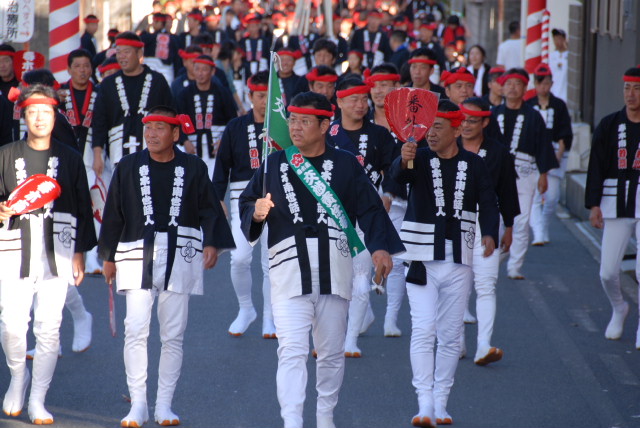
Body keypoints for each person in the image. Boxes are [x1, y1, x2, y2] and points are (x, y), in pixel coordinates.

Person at [239, 91, 402, 428]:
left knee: (330, 353)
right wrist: (256, 213)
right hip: (288, 269)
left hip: (335, 269)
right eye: (292, 120)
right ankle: (292, 421)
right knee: (292, 350)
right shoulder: (274, 163)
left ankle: (325, 415)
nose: (295, 128)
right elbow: (248, 202)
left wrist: (380, 248)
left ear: (325, 125)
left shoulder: (346, 163)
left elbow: (371, 209)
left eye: (304, 121)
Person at [98, 106, 234, 427]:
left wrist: (212, 243)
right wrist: (107, 256)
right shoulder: (128, 166)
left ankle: (164, 405)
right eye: (149, 128)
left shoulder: (194, 167)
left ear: (175, 133)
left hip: (181, 251)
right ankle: (138, 404)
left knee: (173, 334)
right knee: (135, 328)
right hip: (135, 250)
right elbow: (114, 212)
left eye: (160, 128)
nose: (152, 134)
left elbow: (209, 209)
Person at [389, 100, 499, 427]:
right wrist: (403, 159)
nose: (431, 133)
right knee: (424, 329)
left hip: (460, 259)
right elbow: (397, 179)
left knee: (450, 336)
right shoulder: (419, 157)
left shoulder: (475, 164)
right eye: (428, 127)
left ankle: (441, 402)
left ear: (457, 128)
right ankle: (424, 401)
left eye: (438, 127)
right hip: (421, 259)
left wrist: (489, 233)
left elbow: (488, 202)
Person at [0, 83, 96, 424]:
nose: (39, 118)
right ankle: (17, 376)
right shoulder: (5, 154)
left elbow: (82, 205)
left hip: (59, 247)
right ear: (23, 116)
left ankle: (39, 398)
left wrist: (80, 253)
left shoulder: (70, 158)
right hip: (14, 248)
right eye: (33, 112)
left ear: (55, 116)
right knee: (12, 324)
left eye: (46, 112)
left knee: (49, 327)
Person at [328, 78, 396, 356]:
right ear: (340, 102)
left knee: (360, 276)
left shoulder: (380, 135)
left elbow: (393, 168)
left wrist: (388, 192)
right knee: (332, 278)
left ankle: (350, 339)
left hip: (365, 212)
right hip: (331, 212)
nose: (360, 104)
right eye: (353, 99)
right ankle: (334, 332)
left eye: (363, 99)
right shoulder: (328, 133)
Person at [212, 71, 275, 337]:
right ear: (250, 96)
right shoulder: (235, 127)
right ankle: (246, 309)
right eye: (260, 96)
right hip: (243, 200)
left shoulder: (283, 127)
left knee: (271, 264)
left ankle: (270, 318)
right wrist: (218, 199)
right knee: (238, 259)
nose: (264, 101)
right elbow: (221, 166)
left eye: (269, 96)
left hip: (275, 200)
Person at [459, 97, 519, 364]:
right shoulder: (448, 146)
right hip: (453, 225)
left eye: (473, 121)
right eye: (463, 120)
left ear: (485, 122)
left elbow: (507, 191)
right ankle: (456, 341)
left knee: (485, 285)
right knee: (456, 287)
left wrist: (509, 227)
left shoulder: (498, 152)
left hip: (488, 223)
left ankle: (484, 344)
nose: (466, 125)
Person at [585, 65, 640, 348]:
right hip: (614, 200)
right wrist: (593, 204)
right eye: (627, 88)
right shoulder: (609, 125)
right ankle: (619, 307)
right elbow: (595, 165)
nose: (631, 94)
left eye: (637, 89)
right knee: (607, 271)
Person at [492, 68, 557, 279]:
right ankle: (491, 261)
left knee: (520, 222)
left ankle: (514, 266)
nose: (512, 88)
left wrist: (543, 174)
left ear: (525, 87)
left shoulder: (534, 116)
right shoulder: (493, 114)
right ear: (502, 87)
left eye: (517, 83)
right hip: (496, 174)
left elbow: (543, 146)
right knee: (495, 222)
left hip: (525, 172)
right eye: (508, 83)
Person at [91, 31, 173, 178]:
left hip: (154, 151)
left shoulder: (157, 81)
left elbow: (171, 115)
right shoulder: (108, 84)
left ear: (139, 53)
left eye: (126, 52)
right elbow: (99, 122)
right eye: (118, 52)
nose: (122, 56)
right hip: (117, 153)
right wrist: (97, 154)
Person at [527, 63, 573, 246]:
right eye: (540, 83)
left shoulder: (559, 105)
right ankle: (538, 232)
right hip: (533, 155)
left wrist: (559, 153)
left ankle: (544, 226)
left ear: (552, 84)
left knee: (552, 197)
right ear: (535, 83)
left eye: (546, 83)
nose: (543, 87)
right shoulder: (529, 105)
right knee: (534, 196)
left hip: (554, 153)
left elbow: (565, 132)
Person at [176, 54, 237, 178]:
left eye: (204, 69)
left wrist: (224, 140)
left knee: (215, 180)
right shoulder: (184, 94)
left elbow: (233, 120)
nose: (200, 73)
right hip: (192, 146)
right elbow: (178, 119)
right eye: (197, 69)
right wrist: (184, 140)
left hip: (216, 146)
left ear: (212, 71)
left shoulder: (222, 93)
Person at [140, 13, 181, 84]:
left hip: (151, 70)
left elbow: (139, 40)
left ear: (161, 23)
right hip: (167, 72)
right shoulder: (173, 38)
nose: (153, 24)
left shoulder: (149, 37)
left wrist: (145, 32)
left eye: (155, 22)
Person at [549, 28, 569, 102]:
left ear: (564, 39)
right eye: (555, 39)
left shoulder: (569, 56)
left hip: (565, 95)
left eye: (559, 38)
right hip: (553, 93)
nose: (557, 41)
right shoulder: (550, 57)